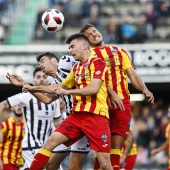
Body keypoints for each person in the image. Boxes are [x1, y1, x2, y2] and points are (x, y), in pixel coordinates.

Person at [27, 33, 112, 170]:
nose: (70, 50)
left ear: (84, 46)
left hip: (96, 116)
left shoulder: (98, 62)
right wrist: (31, 87)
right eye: (69, 48)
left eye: (72, 46)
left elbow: (93, 89)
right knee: (50, 142)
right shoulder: (76, 68)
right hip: (76, 116)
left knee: (105, 164)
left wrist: (68, 92)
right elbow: (59, 87)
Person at [80, 23, 154, 170]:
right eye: (89, 35)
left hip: (122, 104)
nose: (93, 34)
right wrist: (111, 94)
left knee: (116, 146)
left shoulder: (119, 51)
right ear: (86, 43)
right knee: (102, 147)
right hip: (101, 106)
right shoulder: (88, 57)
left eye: (94, 31)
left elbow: (132, 74)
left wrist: (145, 89)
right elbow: (95, 81)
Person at [7, 52, 91, 170]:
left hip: (86, 119)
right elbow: (47, 99)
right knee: (50, 165)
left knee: (77, 165)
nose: (40, 64)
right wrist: (23, 84)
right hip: (72, 123)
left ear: (54, 61)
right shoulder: (55, 83)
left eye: (42, 61)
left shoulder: (66, 62)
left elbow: (87, 64)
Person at [3, 67, 61, 170]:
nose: (42, 79)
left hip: (48, 146)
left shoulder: (54, 100)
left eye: (44, 77)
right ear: (33, 80)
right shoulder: (26, 96)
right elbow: (3, 104)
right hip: (31, 145)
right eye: (38, 77)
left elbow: (57, 122)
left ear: (48, 80)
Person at [0, 106, 25, 170]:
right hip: (5, 161)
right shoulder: (5, 125)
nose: (19, 107)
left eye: (21, 105)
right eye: (16, 105)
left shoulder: (27, 125)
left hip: (20, 162)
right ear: (12, 107)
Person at [151, 105, 170, 170]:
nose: (168, 114)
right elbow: (168, 142)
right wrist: (158, 150)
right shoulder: (168, 127)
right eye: (168, 112)